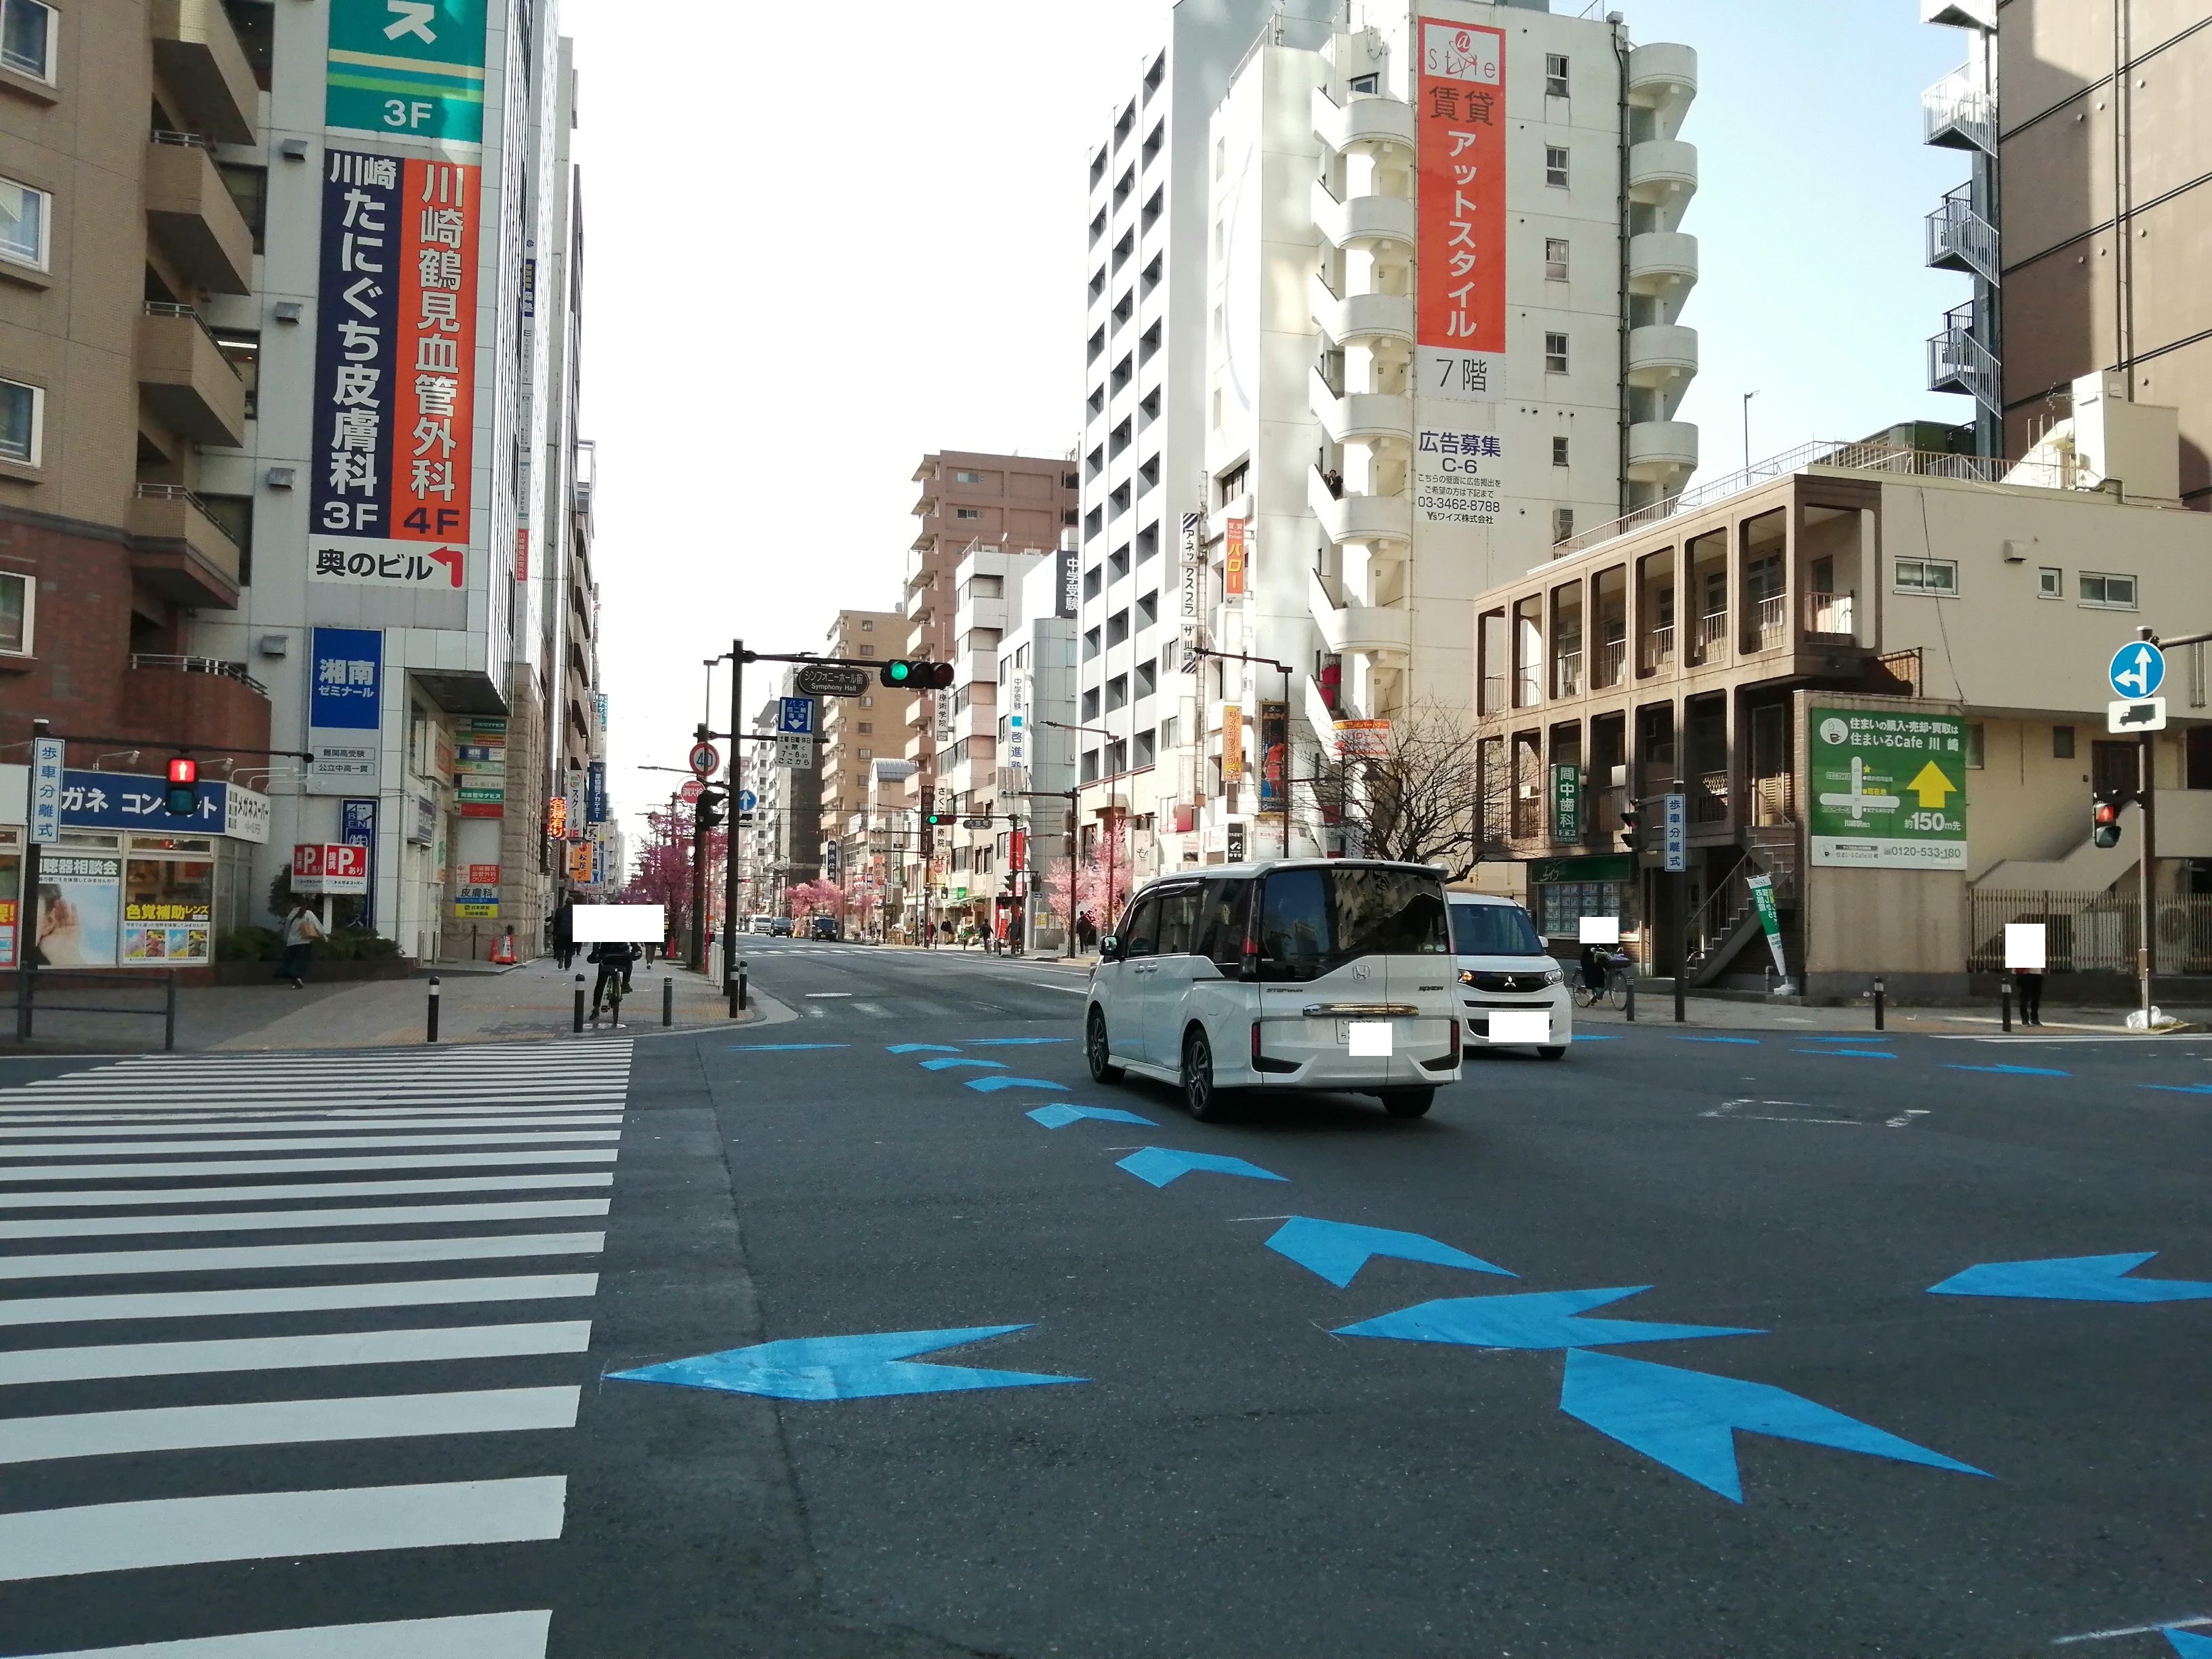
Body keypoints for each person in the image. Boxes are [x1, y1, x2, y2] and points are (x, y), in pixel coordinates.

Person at [588, 938, 640, 1024]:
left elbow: (597, 942)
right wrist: (636, 948)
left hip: (606, 955)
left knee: (601, 983)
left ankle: (596, 1009)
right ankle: (626, 982)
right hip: (623, 955)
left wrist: (595, 953)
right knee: (629, 962)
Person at [278, 900, 324, 987]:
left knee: (293, 961)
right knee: (303, 961)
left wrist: (286, 940)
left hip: (291, 943)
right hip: (304, 942)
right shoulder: (308, 913)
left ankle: (296, 981)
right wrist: (324, 937)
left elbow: (286, 929)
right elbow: (318, 926)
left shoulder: (291, 914)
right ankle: (297, 977)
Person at [2014, 963, 2044, 1027]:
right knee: (2025, 998)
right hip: (2026, 974)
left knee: (2036, 998)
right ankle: (2025, 1019)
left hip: (2038, 973)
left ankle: (2035, 1019)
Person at [550, 895, 575, 970]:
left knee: (561, 947)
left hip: (561, 932)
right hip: (572, 933)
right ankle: (567, 966)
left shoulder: (560, 911)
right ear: (573, 903)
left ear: (565, 902)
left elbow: (556, 922)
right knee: (570, 950)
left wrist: (555, 933)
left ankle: (561, 958)